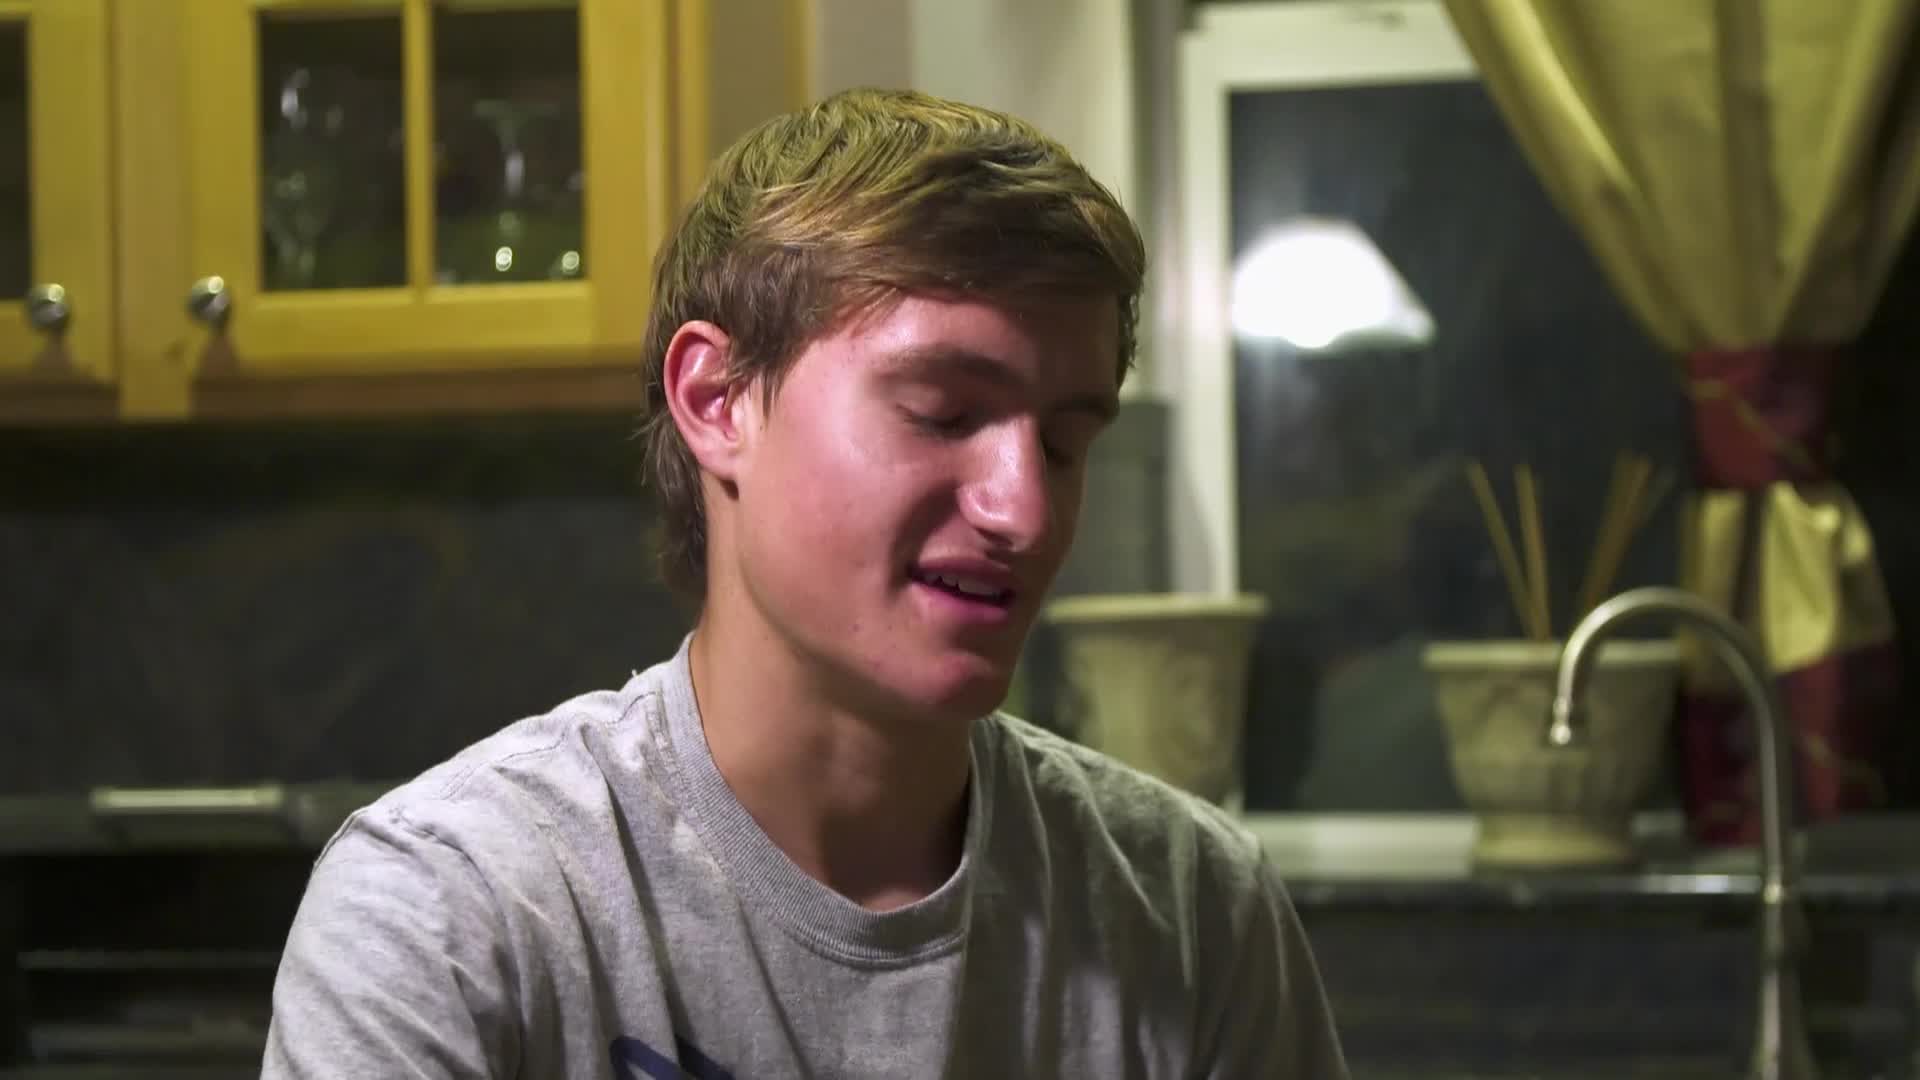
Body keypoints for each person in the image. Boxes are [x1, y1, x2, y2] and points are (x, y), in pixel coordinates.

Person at [262, 87, 1349, 1079]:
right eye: (944, 413)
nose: (1022, 509)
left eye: (1064, 445)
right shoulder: (450, 915)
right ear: (719, 398)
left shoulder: (1195, 916)